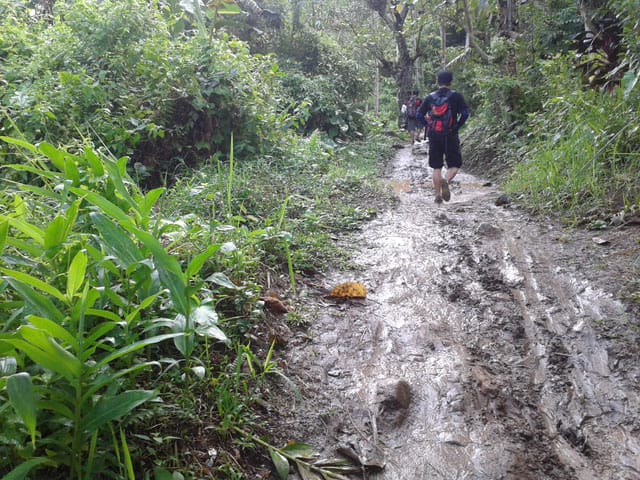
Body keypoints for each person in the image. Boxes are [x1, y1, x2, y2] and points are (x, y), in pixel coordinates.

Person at [417, 71, 470, 204]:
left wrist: (428, 126)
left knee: (436, 166)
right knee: (455, 164)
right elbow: (465, 113)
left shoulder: (430, 97)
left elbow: (419, 115)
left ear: (437, 82)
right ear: (451, 82)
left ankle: (437, 195)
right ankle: (445, 180)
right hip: (450, 133)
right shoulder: (456, 96)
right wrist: (457, 125)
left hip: (434, 134)